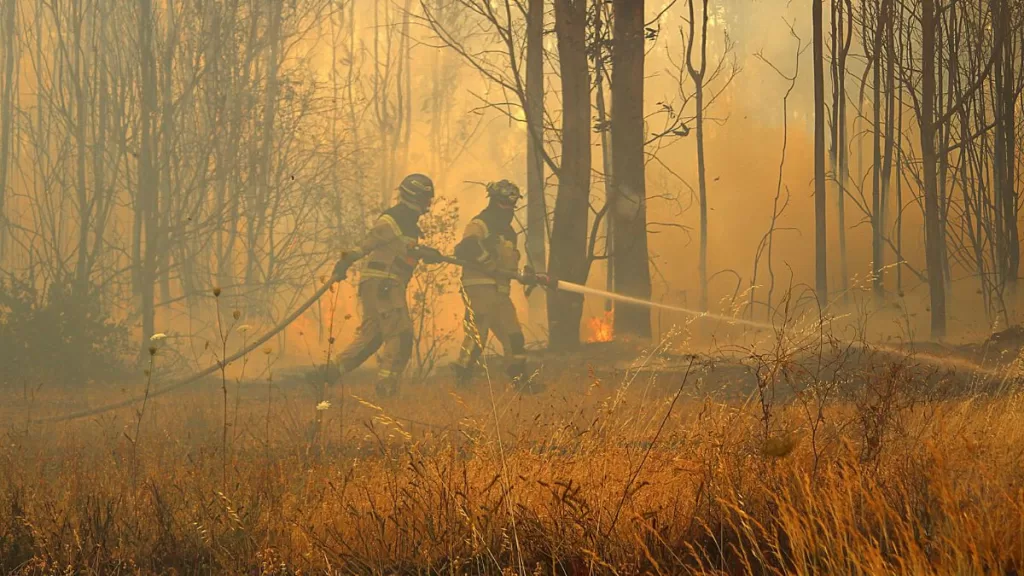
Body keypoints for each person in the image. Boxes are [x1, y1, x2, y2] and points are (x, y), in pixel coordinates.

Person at [332, 173, 442, 397]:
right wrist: (346, 260)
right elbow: (370, 242)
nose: (428, 204)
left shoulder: (408, 223)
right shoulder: (395, 218)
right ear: (416, 196)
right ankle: (386, 389)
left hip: (380, 284)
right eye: (426, 199)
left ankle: (326, 374)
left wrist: (422, 253)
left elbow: (400, 250)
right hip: (385, 284)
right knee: (400, 335)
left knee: (372, 338)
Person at [450, 180, 540, 390]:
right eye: (503, 203)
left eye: (512, 204)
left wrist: (523, 274)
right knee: (478, 334)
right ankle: (462, 378)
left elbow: (508, 264)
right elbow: (465, 247)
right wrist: (487, 261)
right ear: (493, 201)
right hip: (480, 286)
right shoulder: (480, 223)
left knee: (515, 336)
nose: (508, 209)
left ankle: (520, 381)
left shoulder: (510, 233)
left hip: (500, 292)